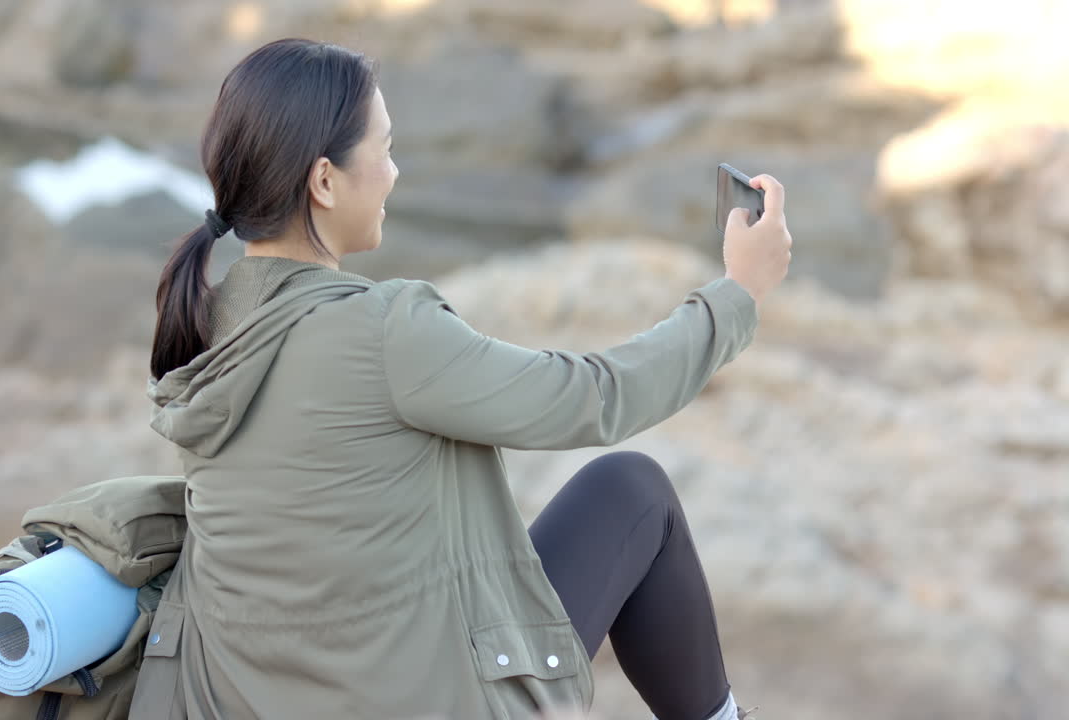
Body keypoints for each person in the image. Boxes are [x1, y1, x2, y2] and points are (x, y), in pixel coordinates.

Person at [144, 38, 791, 720]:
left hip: (268, 697)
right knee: (633, 492)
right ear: (325, 181)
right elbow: (595, 398)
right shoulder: (384, 330)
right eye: (385, 149)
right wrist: (737, 293)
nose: (394, 172)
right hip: (417, 698)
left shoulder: (211, 339)